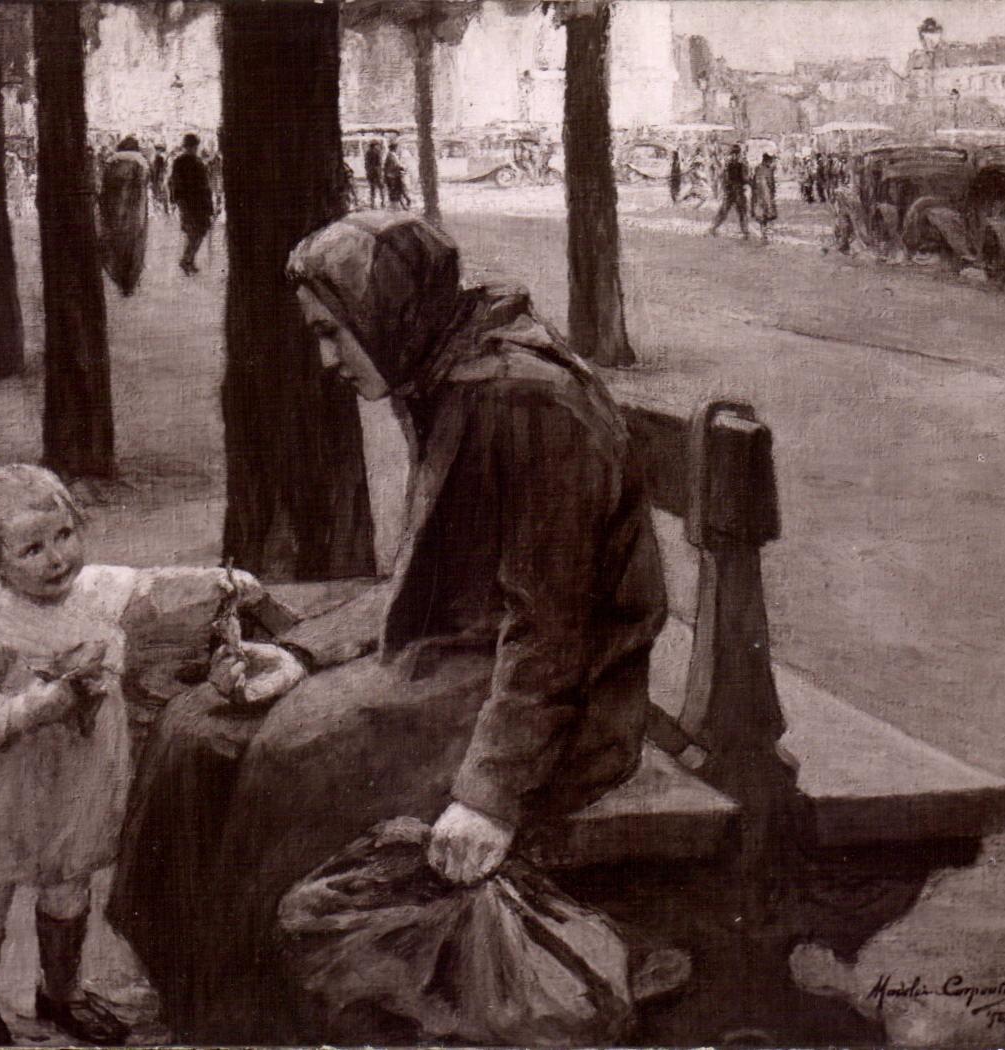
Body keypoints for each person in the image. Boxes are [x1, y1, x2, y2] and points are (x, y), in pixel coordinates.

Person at [108, 212, 667, 1044]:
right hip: (469, 656)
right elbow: (425, 571)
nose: (328, 360)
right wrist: (299, 653)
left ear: (387, 310)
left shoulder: (521, 398)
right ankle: (189, 991)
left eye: (335, 334)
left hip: (561, 700)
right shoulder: (443, 375)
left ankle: (249, 1021)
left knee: (300, 753)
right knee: (198, 726)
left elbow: (551, 630)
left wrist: (488, 796)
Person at [0, 464, 300, 1046]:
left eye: (63, 536)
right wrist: (40, 704)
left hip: (79, 782)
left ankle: (60, 994)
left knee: (68, 887)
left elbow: (156, 589)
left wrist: (224, 584)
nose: (56, 558)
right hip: (1, 790)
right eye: (32, 549)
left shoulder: (98, 590)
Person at [99, 136, 152, 295]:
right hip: (134, 213)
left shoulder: (110, 163)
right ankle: (129, 283)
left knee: (115, 245)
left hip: (113, 211)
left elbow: (103, 189)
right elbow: (143, 187)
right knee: (134, 246)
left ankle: (119, 277)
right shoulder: (141, 163)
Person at [170, 132, 215, 274]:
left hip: (193, 202)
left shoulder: (188, 161)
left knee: (197, 232)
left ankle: (188, 260)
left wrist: (176, 199)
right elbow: (176, 182)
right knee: (195, 232)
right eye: (193, 146)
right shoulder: (193, 162)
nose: (193, 149)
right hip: (193, 202)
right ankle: (187, 260)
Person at [708, 143, 750, 238]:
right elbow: (745, 177)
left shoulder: (727, 163)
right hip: (738, 190)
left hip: (729, 190)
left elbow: (721, 175)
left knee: (724, 211)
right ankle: (745, 232)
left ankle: (713, 228)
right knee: (742, 211)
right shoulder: (742, 163)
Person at [751, 152, 779, 242]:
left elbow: (753, 182)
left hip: (758, 196)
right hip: (766, 195)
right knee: (768, 213)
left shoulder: (757, 169)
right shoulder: (768, 170)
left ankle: (763, 232)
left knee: (761, 215)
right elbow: (771, 184)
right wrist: (773, 193)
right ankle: (767, 233)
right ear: (767, 161)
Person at [383, 139, 409, 209]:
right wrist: (403, 167)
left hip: (392, 175)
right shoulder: (392, 155)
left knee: (396, 190)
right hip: (393, 176)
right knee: (398, 190)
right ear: (394, 148)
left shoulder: (390, 155)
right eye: (396, 147)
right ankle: (403, 204)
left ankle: (402, 203)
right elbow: (396, 165)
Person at [362, 136, 385, 209]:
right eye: (376, 145)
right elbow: (379, 163)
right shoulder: (377, 152)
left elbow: (366, 164)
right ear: (374, 145)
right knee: (380, 187)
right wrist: (380, 172)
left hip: (371, 172)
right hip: (376, 172)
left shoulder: (367, 153)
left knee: (372, 188)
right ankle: (382, 202)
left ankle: (372, 203)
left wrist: (368, 171)